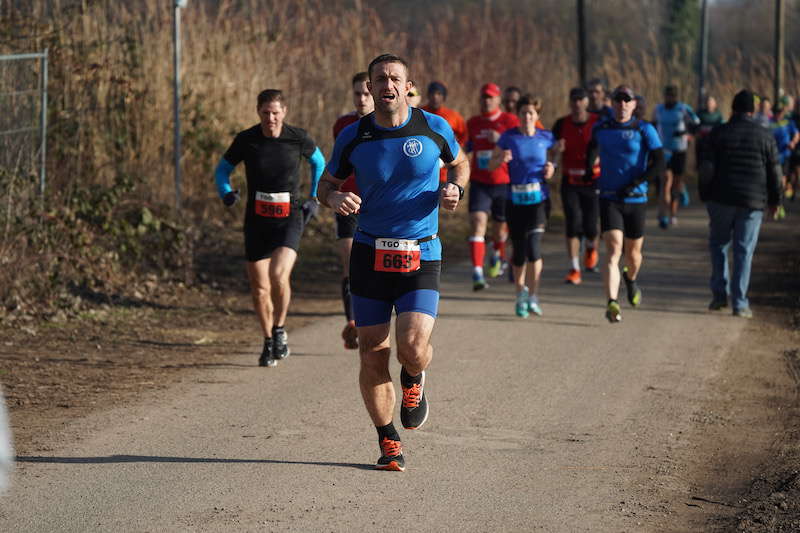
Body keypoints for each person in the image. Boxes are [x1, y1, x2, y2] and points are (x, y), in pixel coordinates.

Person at [317, 53, 469, 471]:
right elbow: (324, 183)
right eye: (379, 79)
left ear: (407, 85)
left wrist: (455, 187)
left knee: (412, 347)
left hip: (422, 250)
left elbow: (460, 162)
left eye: (394, 78)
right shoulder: (354, 135)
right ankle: (387, 440)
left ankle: (414, 378)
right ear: (369, 87)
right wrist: (333, 197)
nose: (387, 85)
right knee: (371, 352)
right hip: (370, 251)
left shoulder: (434, 127)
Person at [214, 89, 325, 367]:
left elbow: (319, 163)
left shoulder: (297, 138)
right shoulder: (247, 140)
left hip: (290, 218)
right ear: (258, 112)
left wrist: (314, 198)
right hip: (257, 221)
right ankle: (267, 341)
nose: (271, 118)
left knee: (278, 274)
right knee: (259, 288)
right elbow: (221, 170)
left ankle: (280, 329)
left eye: (276, 113)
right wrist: (226, 192)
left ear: (284, 112)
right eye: (266, 113)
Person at [699, 89, 782, 318]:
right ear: (752, 111)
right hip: (752, 202)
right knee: (744, 251)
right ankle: (740, 303)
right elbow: (774, 171)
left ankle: (718, 296)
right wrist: (776, 201)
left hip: (721, 199)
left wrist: (704, 194)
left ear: (732, 109)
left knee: (719, 245)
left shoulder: (718, 133)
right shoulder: (765, 135)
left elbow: (706, 168)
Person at [586, 85, 664, 323]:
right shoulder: (602, 127)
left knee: (634, 254)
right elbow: (591, 149)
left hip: (636, 199)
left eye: (626, 100)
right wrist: (591, 168)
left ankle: (630, 280)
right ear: (612, 103)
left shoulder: (644, 129)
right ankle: (612, 303)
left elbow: (659, 163)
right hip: (609, 197)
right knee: (613, 250)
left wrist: (637, 183)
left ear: (633, 104)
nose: (622, 104)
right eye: (618, 100)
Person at [489, 95, 557, 316]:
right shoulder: (508, 138)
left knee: (534, 248)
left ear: (537, 116)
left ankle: (534, 295)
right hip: (514, 201)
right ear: (518, 116)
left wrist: (552, 168)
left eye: (531, 113)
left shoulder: (546, 137)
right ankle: (520, 294)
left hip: (539, 200)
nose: (527, 117)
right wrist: (500, 160)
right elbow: (490, 164)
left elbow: (556, 159)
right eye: (523, 113)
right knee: (519, 252)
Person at [332, 72, 374, 350]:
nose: (361, 99)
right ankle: (352, 322)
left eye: (366, 94)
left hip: (376, 204)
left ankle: (372, 318)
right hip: (347, 201)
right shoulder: (343, 125)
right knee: (349, 260)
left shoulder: (386, 125)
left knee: (372, 265)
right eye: (357, 93)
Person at [466, 83, 520, 288]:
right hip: (480, 182)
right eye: (483, 97)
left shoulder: (510, 121)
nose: (486, 101)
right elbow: (466, 146)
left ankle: (498, 252)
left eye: (490, 97)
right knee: (478, 222)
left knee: (499, 229)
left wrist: (501, 140)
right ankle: (478, 273)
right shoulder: (473, 123)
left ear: (498, 100)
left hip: (504, 183)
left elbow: (519, 146)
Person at [552, 87, 601, 285]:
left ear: (587, 102)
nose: (577, 103)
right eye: (574, 100)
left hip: (593, 180)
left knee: (590, 225)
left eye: (581, 99)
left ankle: (591, 248)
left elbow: (605, 145)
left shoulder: (597, 123)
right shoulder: (561, 124)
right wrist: (556, 150)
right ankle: (574, 268)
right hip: (570, 180)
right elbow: (550, 150)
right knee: (573, 223)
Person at [652, 85, 700, 228]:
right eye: (667, 96)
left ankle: (673, 213)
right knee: (665, 182)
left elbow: (697, 123)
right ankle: (663, 215)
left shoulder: (683, 108)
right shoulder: (658, 109)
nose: (670, 98)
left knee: (675, 184)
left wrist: (688, 134)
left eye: (672, 96)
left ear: (676, 97)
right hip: (664, 150)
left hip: (679, 150)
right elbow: (653, 125)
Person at [422, 81, 468, 182]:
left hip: (444, 174)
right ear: (428, 95)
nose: (435, 97)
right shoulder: (420, 113)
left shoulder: (453, 116)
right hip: (423, 173)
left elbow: (464, 136)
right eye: (432, 93)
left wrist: (453, 150)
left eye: (439, 94)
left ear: (444, 97)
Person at [769, 99, 800, 206]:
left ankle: (781, 195)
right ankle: (777, 193)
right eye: (777, 112)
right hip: (773, 154)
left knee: (784, 175)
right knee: (775, 176)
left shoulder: (788, 122)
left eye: (780, 112)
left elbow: (796, 134)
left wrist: (792, 143)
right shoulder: (770, 123)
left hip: (785, 154)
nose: (779, 114)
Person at [694, 94, 725, 171]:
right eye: (708, 102)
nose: (709, 104)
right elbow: (694, 126)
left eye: (711, 102)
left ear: (715, 104)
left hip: (714, 143)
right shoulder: (700, 114)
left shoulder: (718, 115)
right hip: (702, 143)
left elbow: (722, 127)